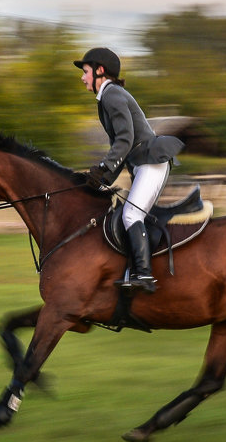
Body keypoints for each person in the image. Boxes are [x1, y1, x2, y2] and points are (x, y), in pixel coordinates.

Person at [75, 47, 183, 293]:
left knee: (131, 215)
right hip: (144, 163)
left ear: (100, 71)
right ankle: (135, 269)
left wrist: (103, 168)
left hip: (150, 162)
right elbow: (121, 146)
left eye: (86, 71)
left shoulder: (112, 95)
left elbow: (125, 139)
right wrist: (104, 178)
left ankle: (144, 276)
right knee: (129, 214)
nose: (83, 78)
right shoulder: (109, 95)